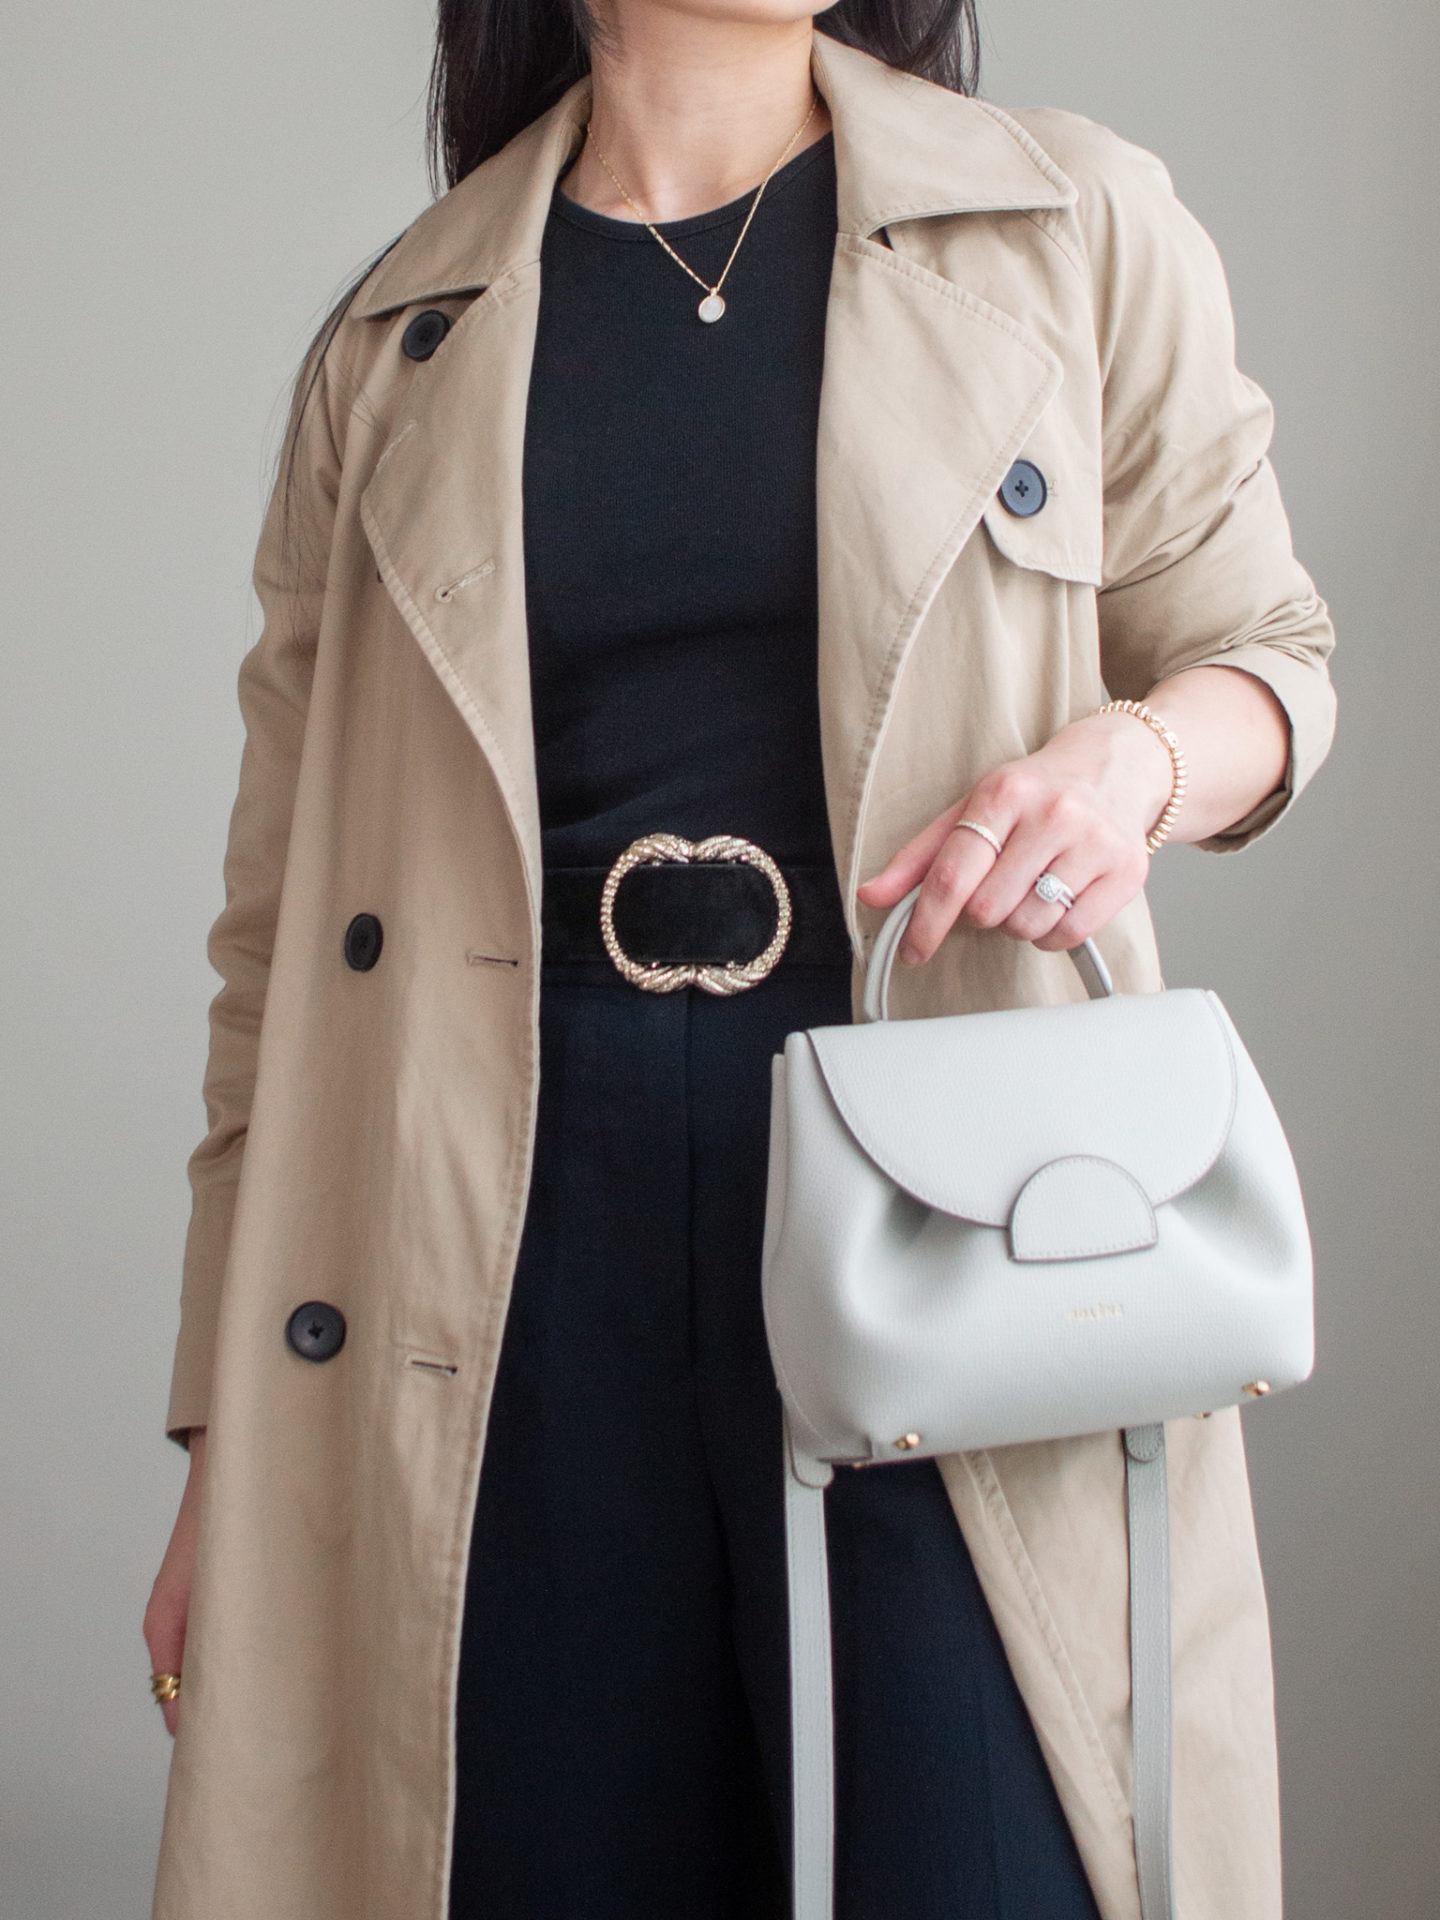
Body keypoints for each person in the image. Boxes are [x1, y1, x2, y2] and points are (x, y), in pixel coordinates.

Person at [144, 1, 1336, 1915]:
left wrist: (1140, 759)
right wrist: (232, 1446)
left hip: (949, 1189)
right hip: (508, 1225)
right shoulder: (397, 343)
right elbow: (274, 939)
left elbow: (1273, 654)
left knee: (999, 1858)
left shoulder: (1068, 221)